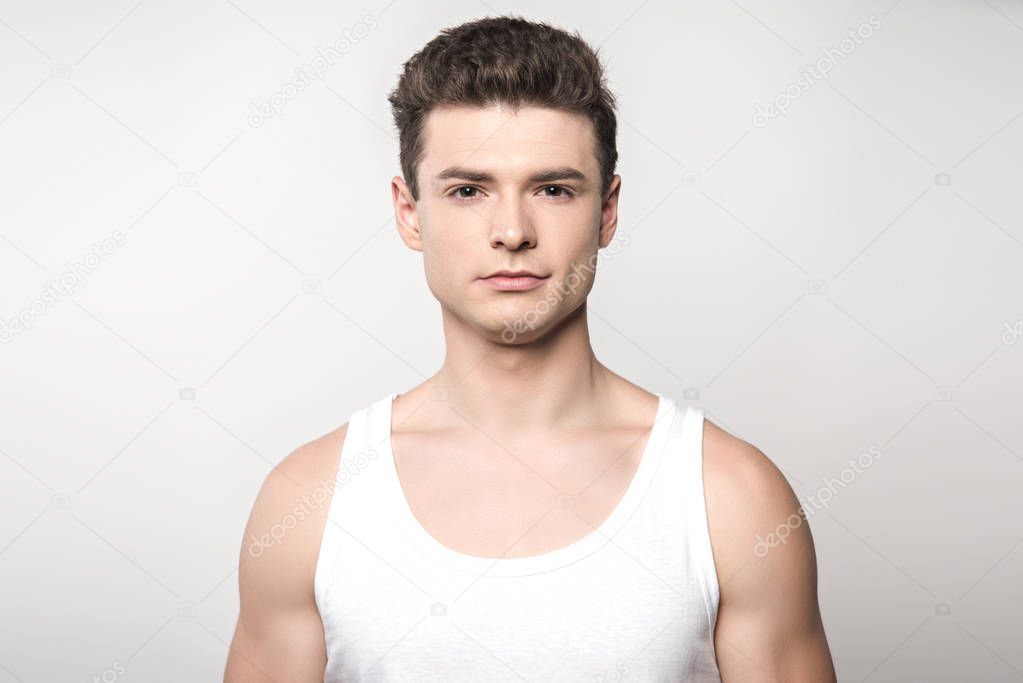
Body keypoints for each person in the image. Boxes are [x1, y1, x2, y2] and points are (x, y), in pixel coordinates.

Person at [225, 15, 836, 682]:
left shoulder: (730, 495)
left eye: (552, 189)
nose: (512, 230)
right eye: (467, 190)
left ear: (606, 210)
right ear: (409, 212)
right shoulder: (308, 500)